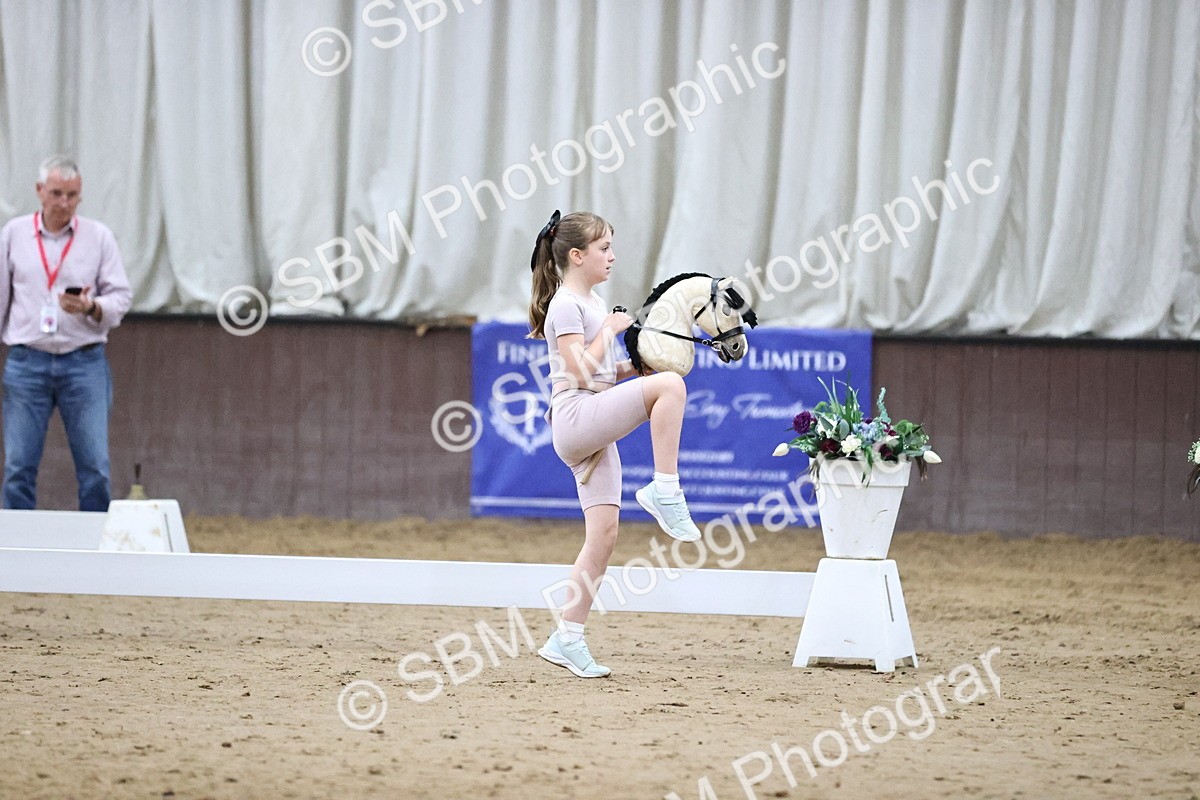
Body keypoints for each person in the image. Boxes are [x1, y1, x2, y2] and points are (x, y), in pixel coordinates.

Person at [528, 209, 701, 679]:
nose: (612, 256)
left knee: (603, 537)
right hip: (576, 416)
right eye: (604, 248)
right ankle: (665, 487)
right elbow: (580, 373)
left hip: (593, 418)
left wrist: (637, 367)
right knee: (670, 388)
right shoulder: (566, 305)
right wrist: (610, 332)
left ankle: (567, 637)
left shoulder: (594, 303)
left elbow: (602, 373)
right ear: (578, 256)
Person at [0, 155, 132, 511]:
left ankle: (96, 548)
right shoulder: (13, 235)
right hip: (28, 360)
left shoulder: (98, 237)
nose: (64, 203)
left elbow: (121, 296)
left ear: (81, 195)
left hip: (83, 360)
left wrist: (91, 308)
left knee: (95, 467)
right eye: (57, 193)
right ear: (39, 192)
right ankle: (12, 548)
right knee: (17, 466)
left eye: (72, 195)